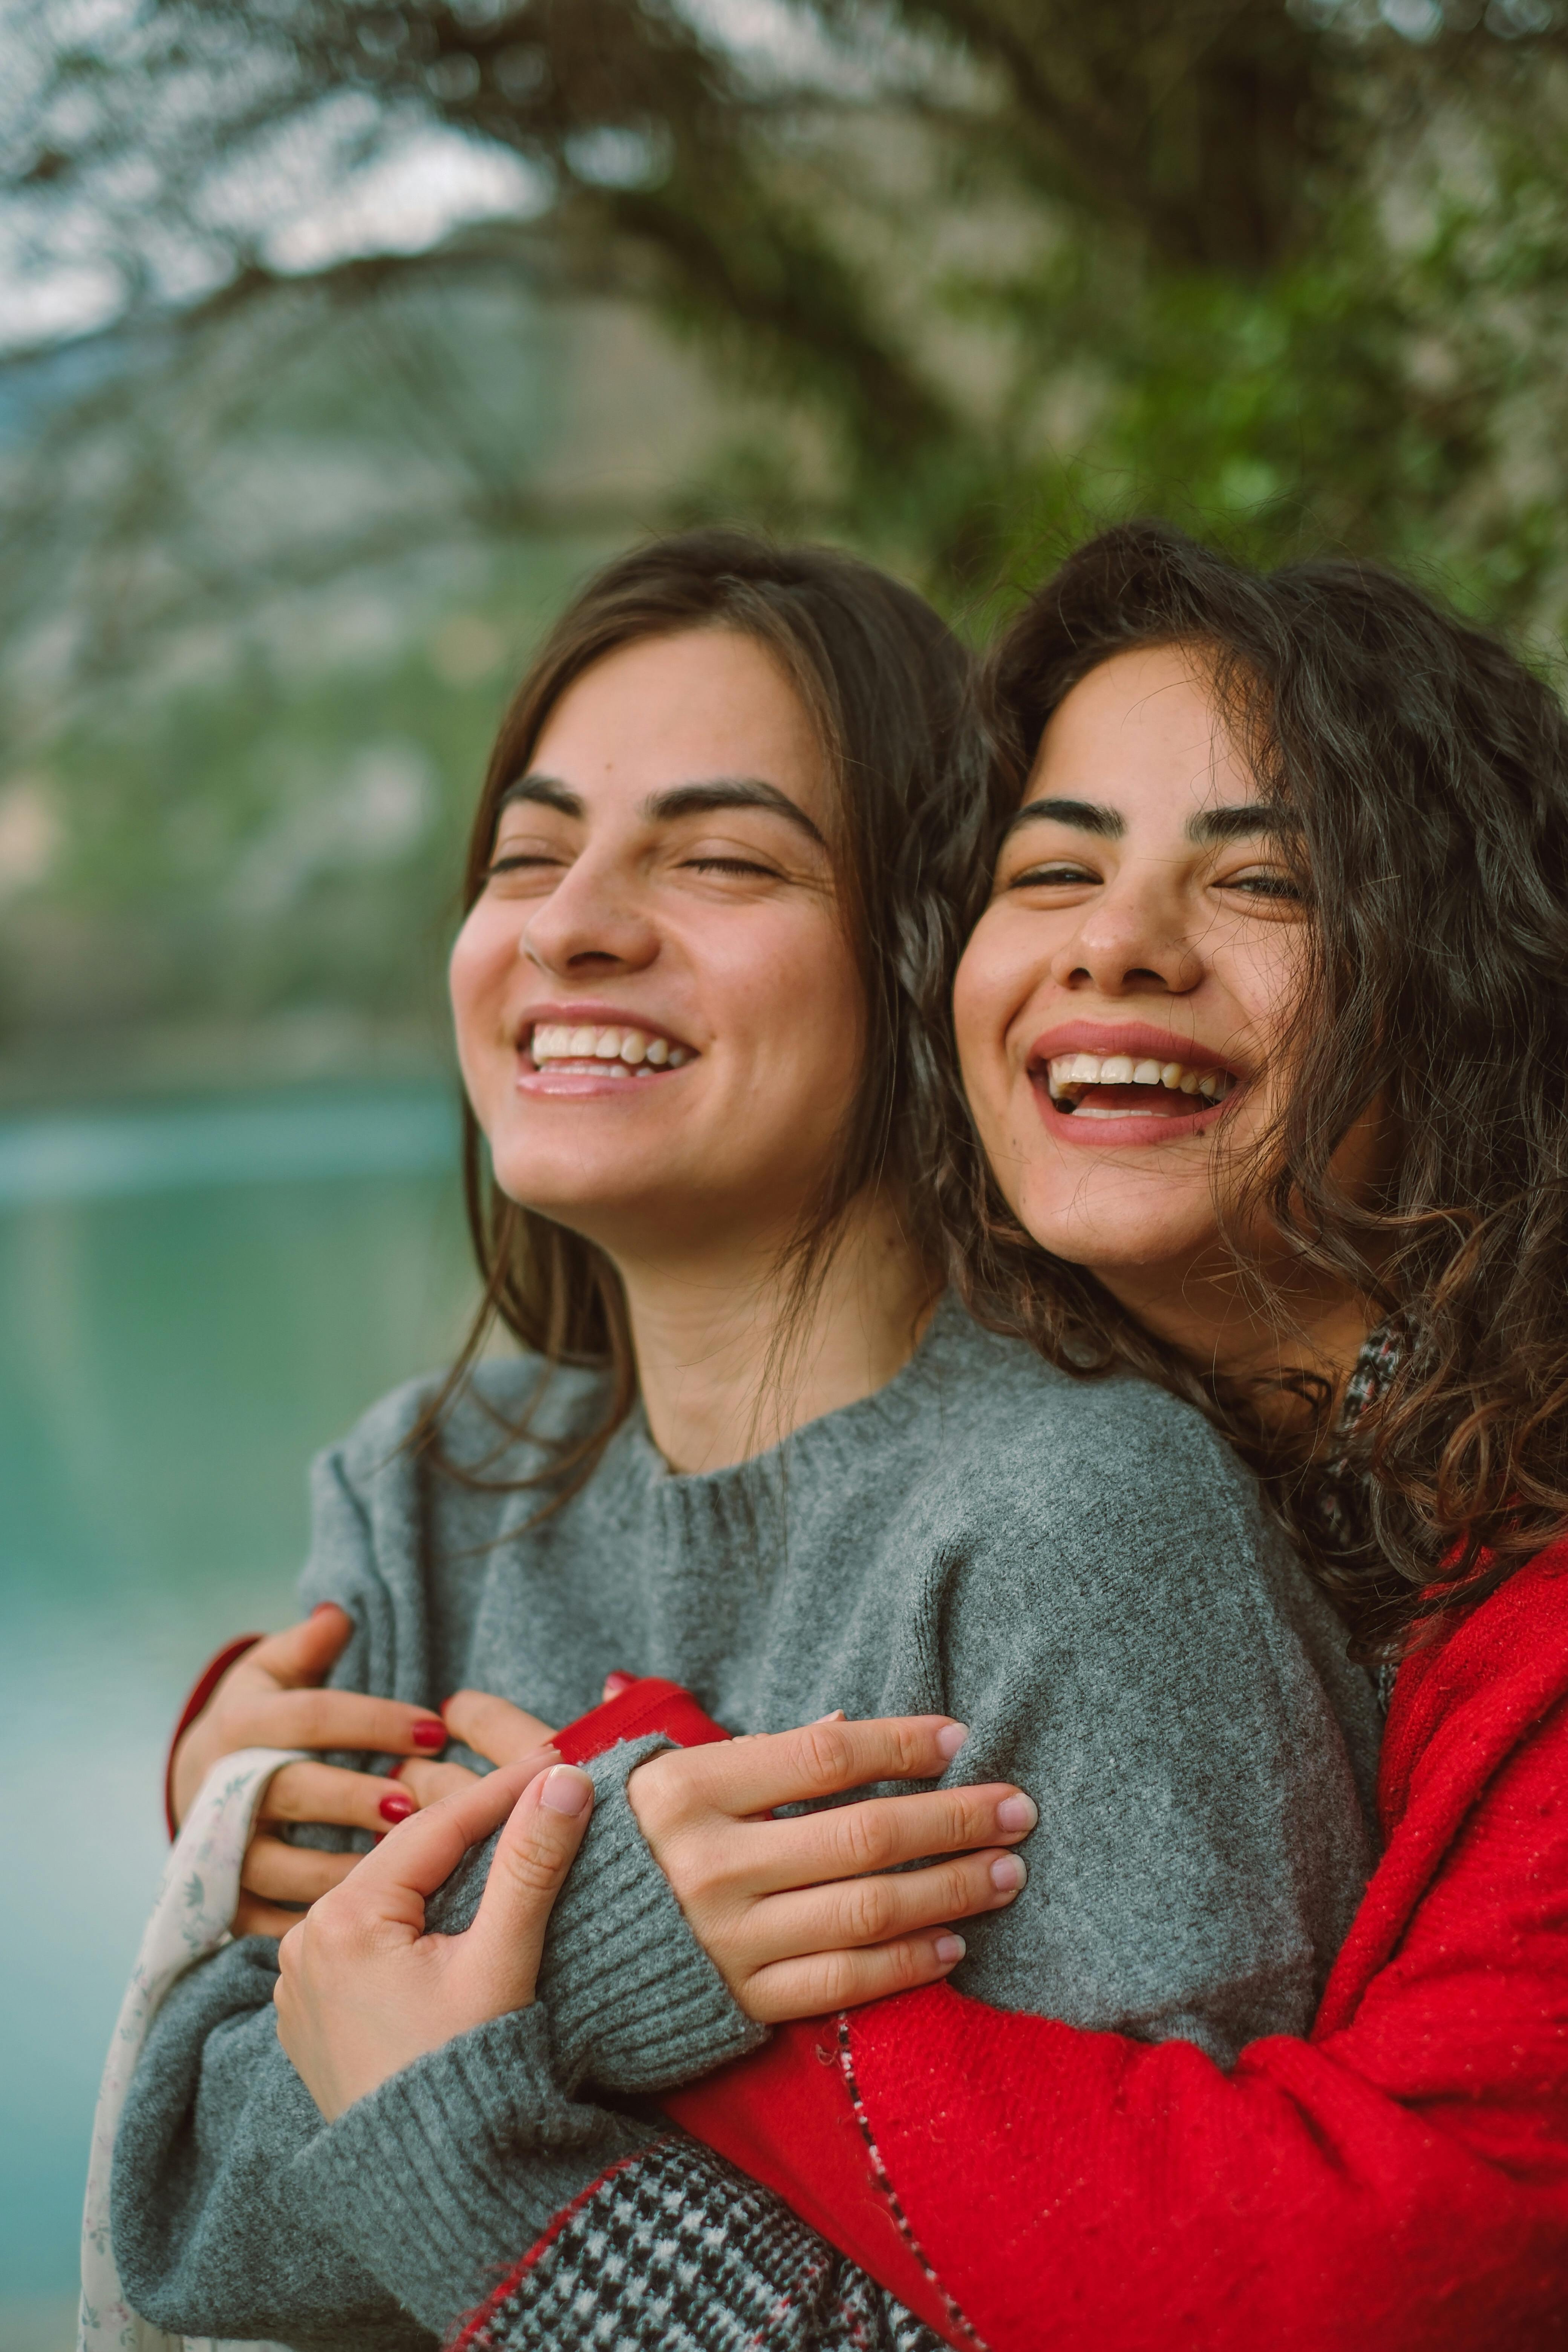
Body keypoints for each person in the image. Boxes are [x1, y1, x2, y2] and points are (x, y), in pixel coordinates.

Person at [256, 524, 1568, 2350]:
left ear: (1460, 979)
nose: (1116, 945)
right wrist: (242, 1777)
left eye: (1262, 882)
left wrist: (584, 1918)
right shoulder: (1162, 1414)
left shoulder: (1212, 1529)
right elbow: (185, 2188)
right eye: (1050, 870)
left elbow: (1368, 2272)